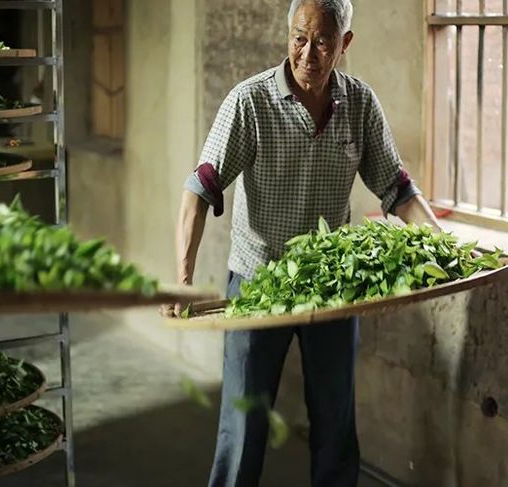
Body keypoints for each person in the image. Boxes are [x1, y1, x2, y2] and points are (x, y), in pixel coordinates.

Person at [163, 0, 442, 485]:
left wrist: (444, 249)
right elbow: (199, 190)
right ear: (287, 33)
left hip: (329, 287)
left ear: (344, 44)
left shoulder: (359, 104)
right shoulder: (249, 103)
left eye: (322, 42)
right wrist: (183, 278)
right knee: (243, 423)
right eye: (298, 38)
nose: (308, 53)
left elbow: (398, 190)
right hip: (257, 285)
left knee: (335, 424)